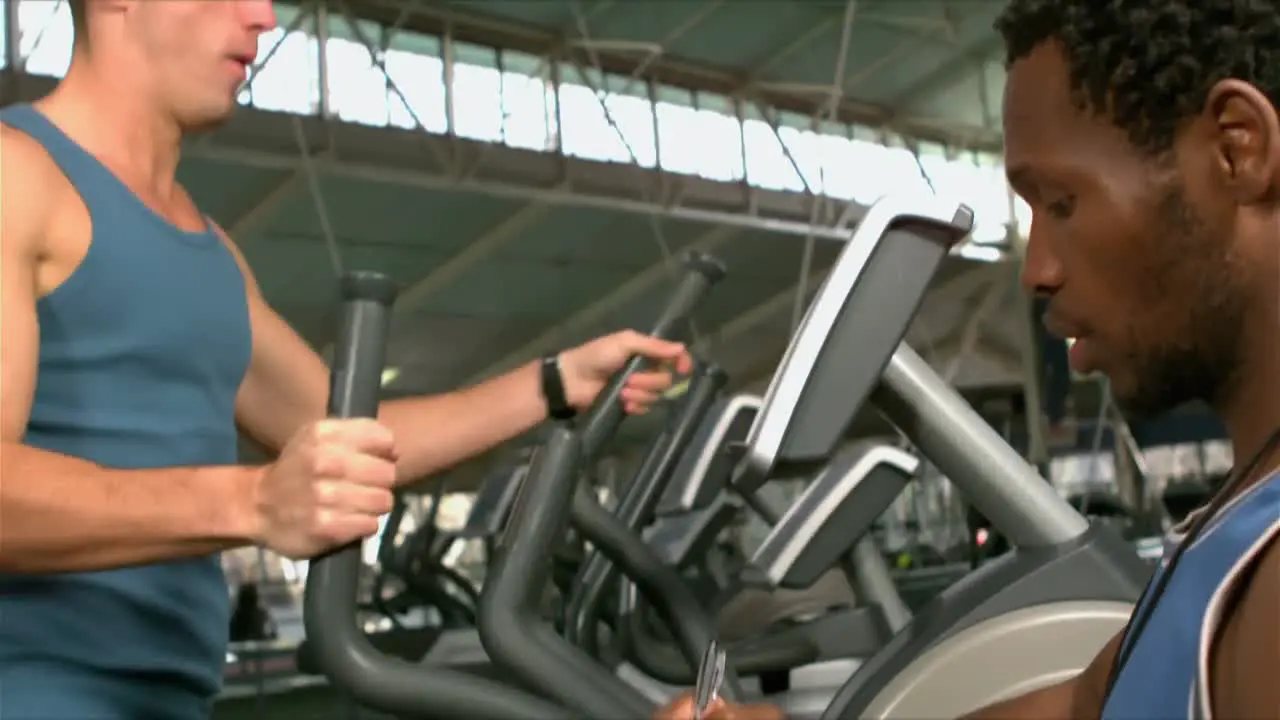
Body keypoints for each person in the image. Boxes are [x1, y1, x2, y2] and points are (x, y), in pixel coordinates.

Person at [0, 1, 692, 718]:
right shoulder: (14, 176)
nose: (263, 17)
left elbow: (349, 434)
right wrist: (253, 501)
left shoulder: (210, 251)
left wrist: (555, 382)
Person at [657, 1, 1280, 718]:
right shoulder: (1233, 524)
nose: (1036, 269)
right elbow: (1084, 704)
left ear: (1238, 150)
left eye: (1062, 202)